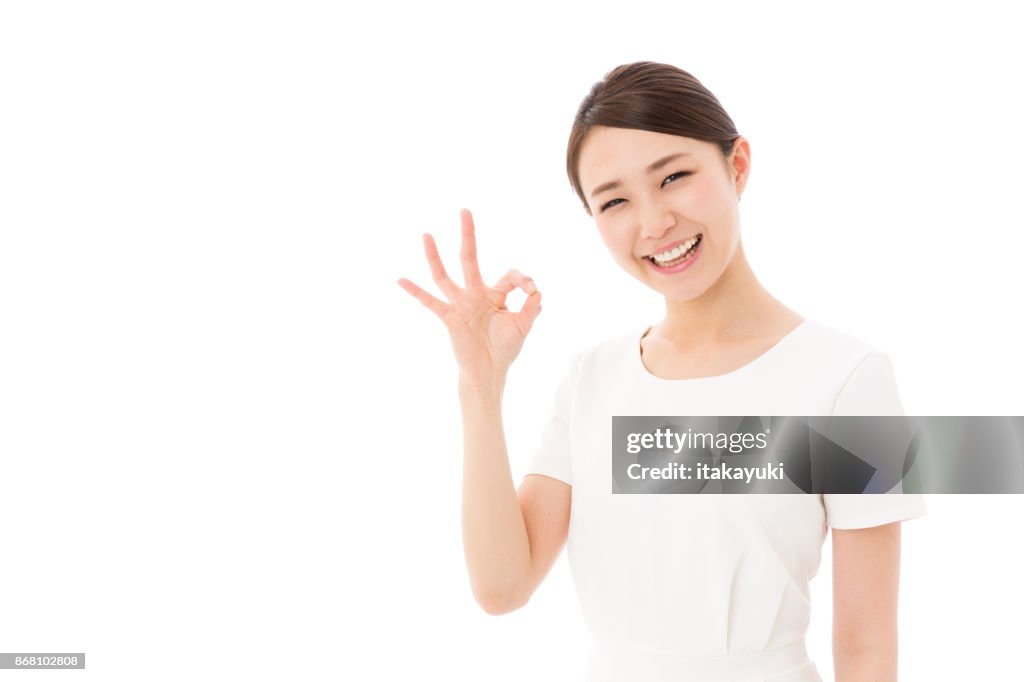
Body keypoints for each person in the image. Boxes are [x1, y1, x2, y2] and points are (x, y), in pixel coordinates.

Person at [397, 61, 926, 682]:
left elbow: (866, 648)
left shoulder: (852, 378)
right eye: (615, 200)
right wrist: (479, 388)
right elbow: (502, 587)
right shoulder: (591, 379)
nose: (653, 224)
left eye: (673, 176)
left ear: (738, 165)